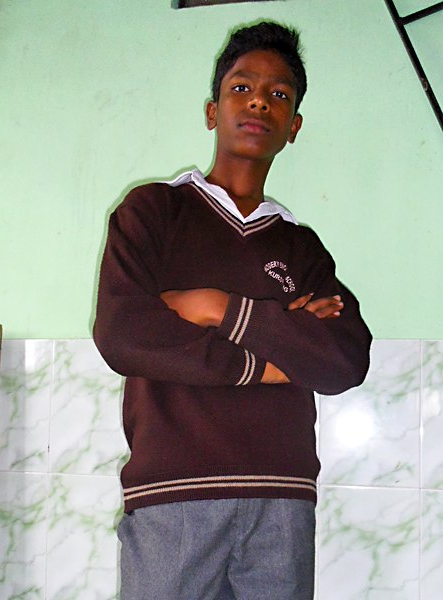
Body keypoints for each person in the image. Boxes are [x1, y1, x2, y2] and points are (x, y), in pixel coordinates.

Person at [94, 21, 372, 600]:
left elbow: (345, 361)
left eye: (278, 94)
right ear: (212, 111)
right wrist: (275, 355)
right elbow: (123, 334)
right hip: (173, 495)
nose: (258, 102)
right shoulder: (154, 212)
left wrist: (213, 306)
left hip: (283, 497)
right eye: (241, 88)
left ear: (293, 127)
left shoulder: (302, 248)